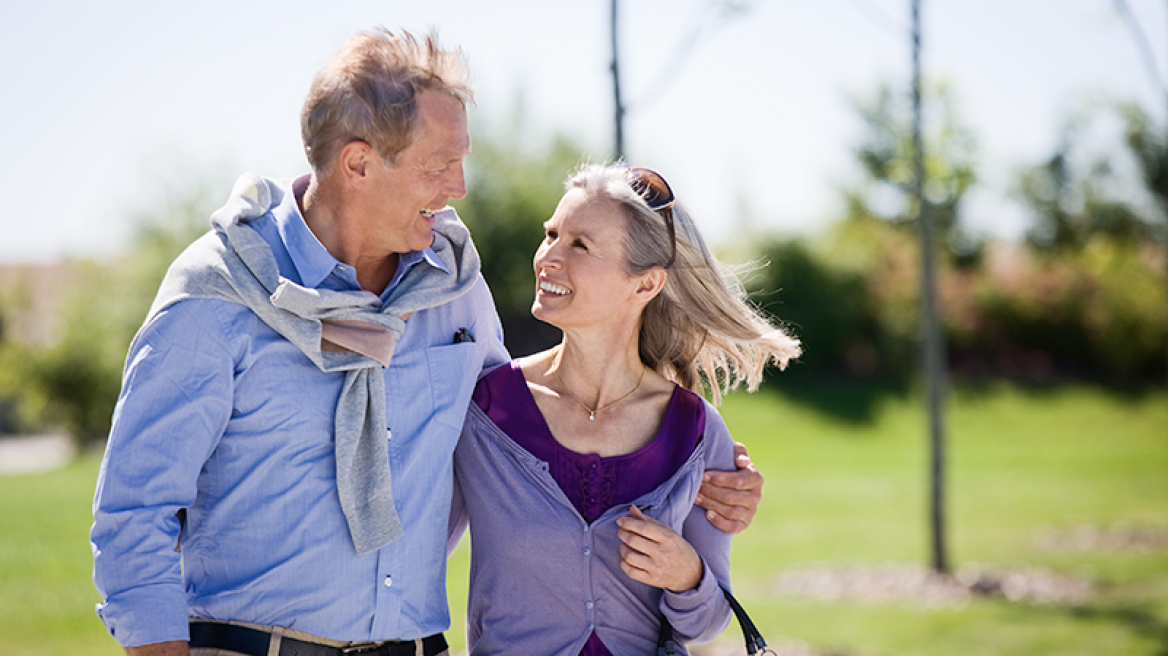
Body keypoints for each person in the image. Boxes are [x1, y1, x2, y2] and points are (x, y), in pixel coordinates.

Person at [90, 28, 763, 656]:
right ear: (358, 164)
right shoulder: (215, 295)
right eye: (439, 165)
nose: (459, 189)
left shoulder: (453, 287)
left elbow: (527, 426)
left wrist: (710, 474)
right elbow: (134, 514)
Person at [450, 163, 801, 655]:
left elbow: (707, 623)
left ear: (645, 285)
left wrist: (688, 575)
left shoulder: (694, 432)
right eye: (551, 234)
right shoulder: (485, 410)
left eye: (580, 245)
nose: (548, 256)